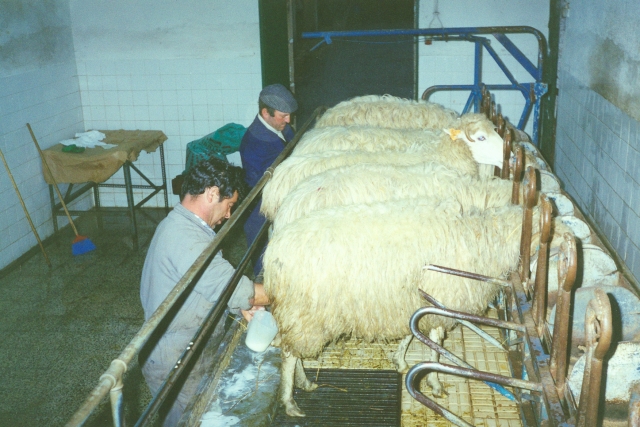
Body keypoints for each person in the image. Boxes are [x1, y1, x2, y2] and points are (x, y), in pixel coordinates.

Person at [139, 158, 269, 426]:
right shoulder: (186, 237)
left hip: (186, 345)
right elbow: (243, 291)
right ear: (212, 194)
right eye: (229, 205)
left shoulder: (185, 226)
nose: (229, 215)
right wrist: (296, 289)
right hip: (175, 357)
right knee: (190, 421)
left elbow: (211, 284)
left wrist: (238, 304)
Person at [239, 83, 298, 282]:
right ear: (266, 113)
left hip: (281, 192)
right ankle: (263, 283)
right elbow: (262, 185)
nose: (289, 120)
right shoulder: (255, 143)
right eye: (283, 116)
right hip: (262, 202)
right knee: (261, 249)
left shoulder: (278, 126)